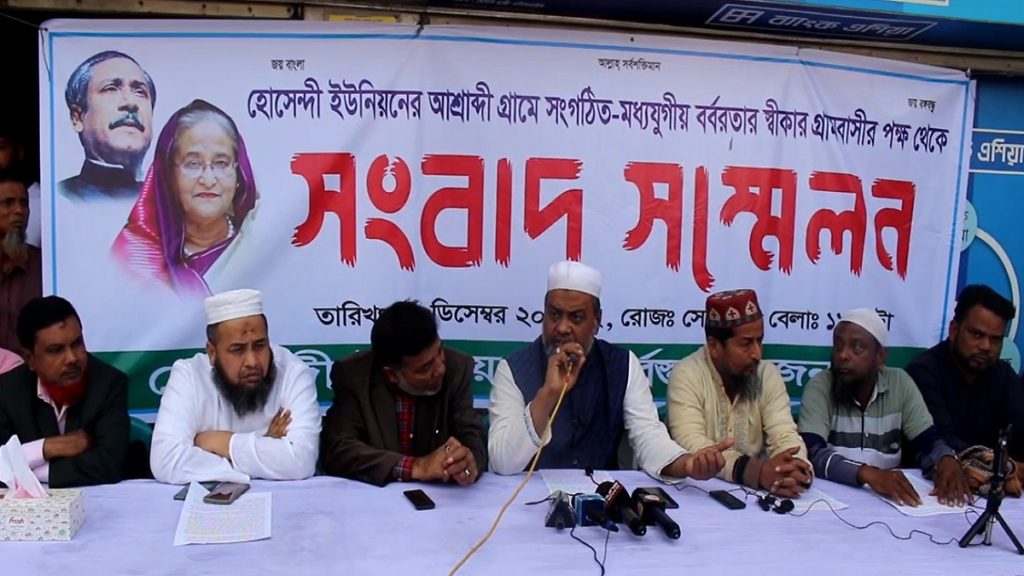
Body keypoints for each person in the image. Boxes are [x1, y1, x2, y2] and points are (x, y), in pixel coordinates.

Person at [489, 261, 732, 479]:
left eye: (576, 317)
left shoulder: (623, 365)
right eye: (554, 315)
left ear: (597, 321)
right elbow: (502, 462)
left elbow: (648, 437)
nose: (562, 327)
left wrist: (686, 464)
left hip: (601, 500)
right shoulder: (512, 369)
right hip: (527, 502)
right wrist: (548, 394)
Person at [798, 308, 971, 506]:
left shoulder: (900, 383)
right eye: (838, 346)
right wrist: (868, 474)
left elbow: (928, 442)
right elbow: (814, 453)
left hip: (889, 501)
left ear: (880, 356)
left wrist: (946, 459)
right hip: (830, 501)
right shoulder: (820, 386)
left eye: (857, 347)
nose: (843, 355)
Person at [150, 289, 319, 484]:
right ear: (212, 353)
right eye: (237, 349)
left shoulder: (292, 372)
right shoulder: (189, 375)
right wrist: (266, 448)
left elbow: (301, 462)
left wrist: (218, 442)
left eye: (260, 345)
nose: (252, 361)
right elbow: (166, 461)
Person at [321, 301, 487, 486]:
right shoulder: (354, 376)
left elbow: (472, 437)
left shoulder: (457, 368)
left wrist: (467, 462)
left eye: (440, 352)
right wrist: (416, 467)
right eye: (425, 368)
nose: (440, 368)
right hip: (372, 497)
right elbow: (338, 450)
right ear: (391, 374)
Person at [667, 288, 811, 497]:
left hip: (755, 496)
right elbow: (691, 444)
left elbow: (784, 434)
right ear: (714, 346)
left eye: (760, 341)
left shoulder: (767, 374)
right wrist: (756, 472)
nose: (757, 354)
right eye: (746, 344)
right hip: (698, 495)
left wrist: (794, 468)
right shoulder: (687, 374)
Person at [111, 99, 258, 296]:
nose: (208, 180)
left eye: (221, 163)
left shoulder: (257, 245)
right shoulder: (136, 258)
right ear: (168, 176)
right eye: (193, 164)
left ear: (239, 174)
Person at [0, 296, 129, 487]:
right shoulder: (7, 391)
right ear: (30, 358)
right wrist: (47, 447)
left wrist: (23, 470)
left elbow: (109, 464)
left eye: (77, 344)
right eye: (56, 350)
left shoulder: (108, 384)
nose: (72, 358)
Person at [907, 284, 1024, 477]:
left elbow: (1020, 431)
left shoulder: (1004, 375)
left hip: (994, 481)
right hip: (933, 482)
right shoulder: (923, 372)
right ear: (954, 330)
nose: (986, 346)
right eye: (977, 335)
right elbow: (941, 440)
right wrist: (1004, 466)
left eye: (995, 339)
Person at [59, 51, 155, 201]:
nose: (131, 103)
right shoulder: (58, 197)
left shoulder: (171, 202)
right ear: (77, 118)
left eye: (139, 92)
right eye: (111, 89)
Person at [0, 178, 40, 351]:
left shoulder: (42, 266)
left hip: (27, 366)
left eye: (24, 204)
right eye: (8, 203)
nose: (19, 210)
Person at [0, 118, 39, 246]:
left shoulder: (45, 202)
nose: (18, 210)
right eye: (8, 203)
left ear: (19, 151)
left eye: (1, 146)